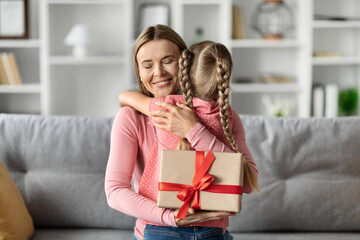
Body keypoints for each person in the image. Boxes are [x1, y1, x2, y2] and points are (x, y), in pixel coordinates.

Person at [105, 25, 258, 240]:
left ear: (188, 63)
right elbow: (114, 192)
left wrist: (194, 130)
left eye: (168, 61)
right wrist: (170, 217)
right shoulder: (131, 119)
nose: (159, 72)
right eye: (147, 65)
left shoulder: (223, 115)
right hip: (158, 227)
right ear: (139, 72)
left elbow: (248, 184)